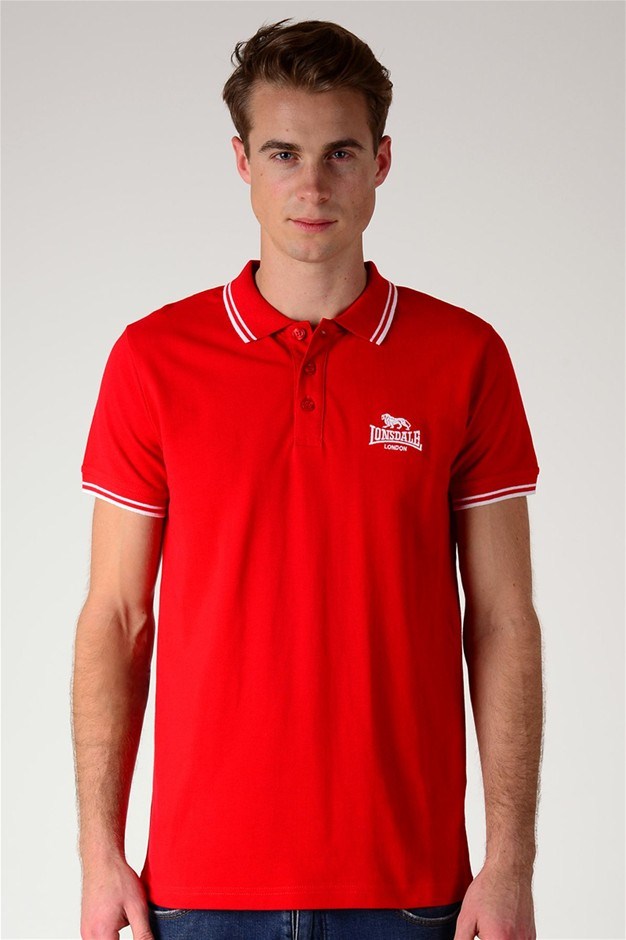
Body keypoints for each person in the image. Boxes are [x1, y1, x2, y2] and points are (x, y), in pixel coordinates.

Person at [71, 17, 543, 940]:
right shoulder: (153, 360)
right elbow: (117, 618)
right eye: (284, 153)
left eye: (341, 153)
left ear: (382, 161)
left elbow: (503, 620)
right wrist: (98, 852)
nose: (313, 186)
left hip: (411, 889)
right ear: (242, 161)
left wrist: (511, 862)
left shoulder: (465, 358)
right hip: (199, 892)